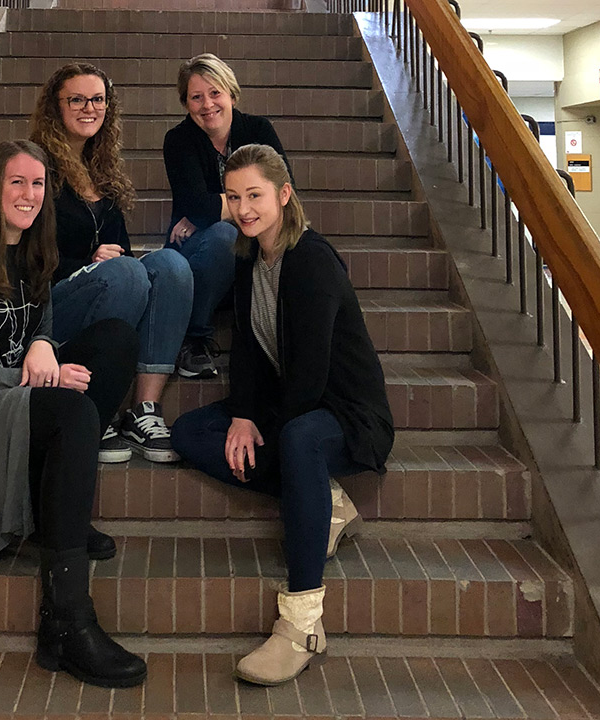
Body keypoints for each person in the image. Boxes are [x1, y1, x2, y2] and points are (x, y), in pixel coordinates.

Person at [0, 140, 147, 688]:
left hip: (15, 397)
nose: (29, 194)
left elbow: (31, 326)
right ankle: (65, 622)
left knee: (115, 340)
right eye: (16, 182)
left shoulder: (33, 257)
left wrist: (42, 343)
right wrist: (36, 373)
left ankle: (51, 511)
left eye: (38, 184)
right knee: (70, 413)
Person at [171, 144, 394, 686]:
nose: (244, 208)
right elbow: (247, 348)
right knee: (190, 431)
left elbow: (312, 377)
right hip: (287, 406)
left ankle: (302, 623)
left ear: (283, 195)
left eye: (255, 195)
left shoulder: (311, 259)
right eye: (234, 196)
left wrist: (263, 423)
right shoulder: (251, 259)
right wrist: (244, 415)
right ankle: (328, 504)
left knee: (297, 440)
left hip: (344, 413)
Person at [30, 63, 193, 464]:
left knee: (171, 266)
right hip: (49, 304)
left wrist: (111, 265)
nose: (90, 108)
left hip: (101, 291)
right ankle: (94, 408)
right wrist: (88, 263)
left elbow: (119, 248)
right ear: (56, 107)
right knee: (123, 271)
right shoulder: (35, 166)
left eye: (98, 99)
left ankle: (143, 410)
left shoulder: (102, 169)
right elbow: (24, 256)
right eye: (77, 99)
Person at [162, 54, 292, 380]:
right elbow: (197, 208)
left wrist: (217, 209)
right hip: (198, 251)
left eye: (215, 93)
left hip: (254, 247)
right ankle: (194, 341)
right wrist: (250, 205)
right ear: (186, 103)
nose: (207, 104)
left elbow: (283, 192)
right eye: (196, 97)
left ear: (231, 93)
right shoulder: (179, 140)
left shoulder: (258, 129)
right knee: (223, 235)